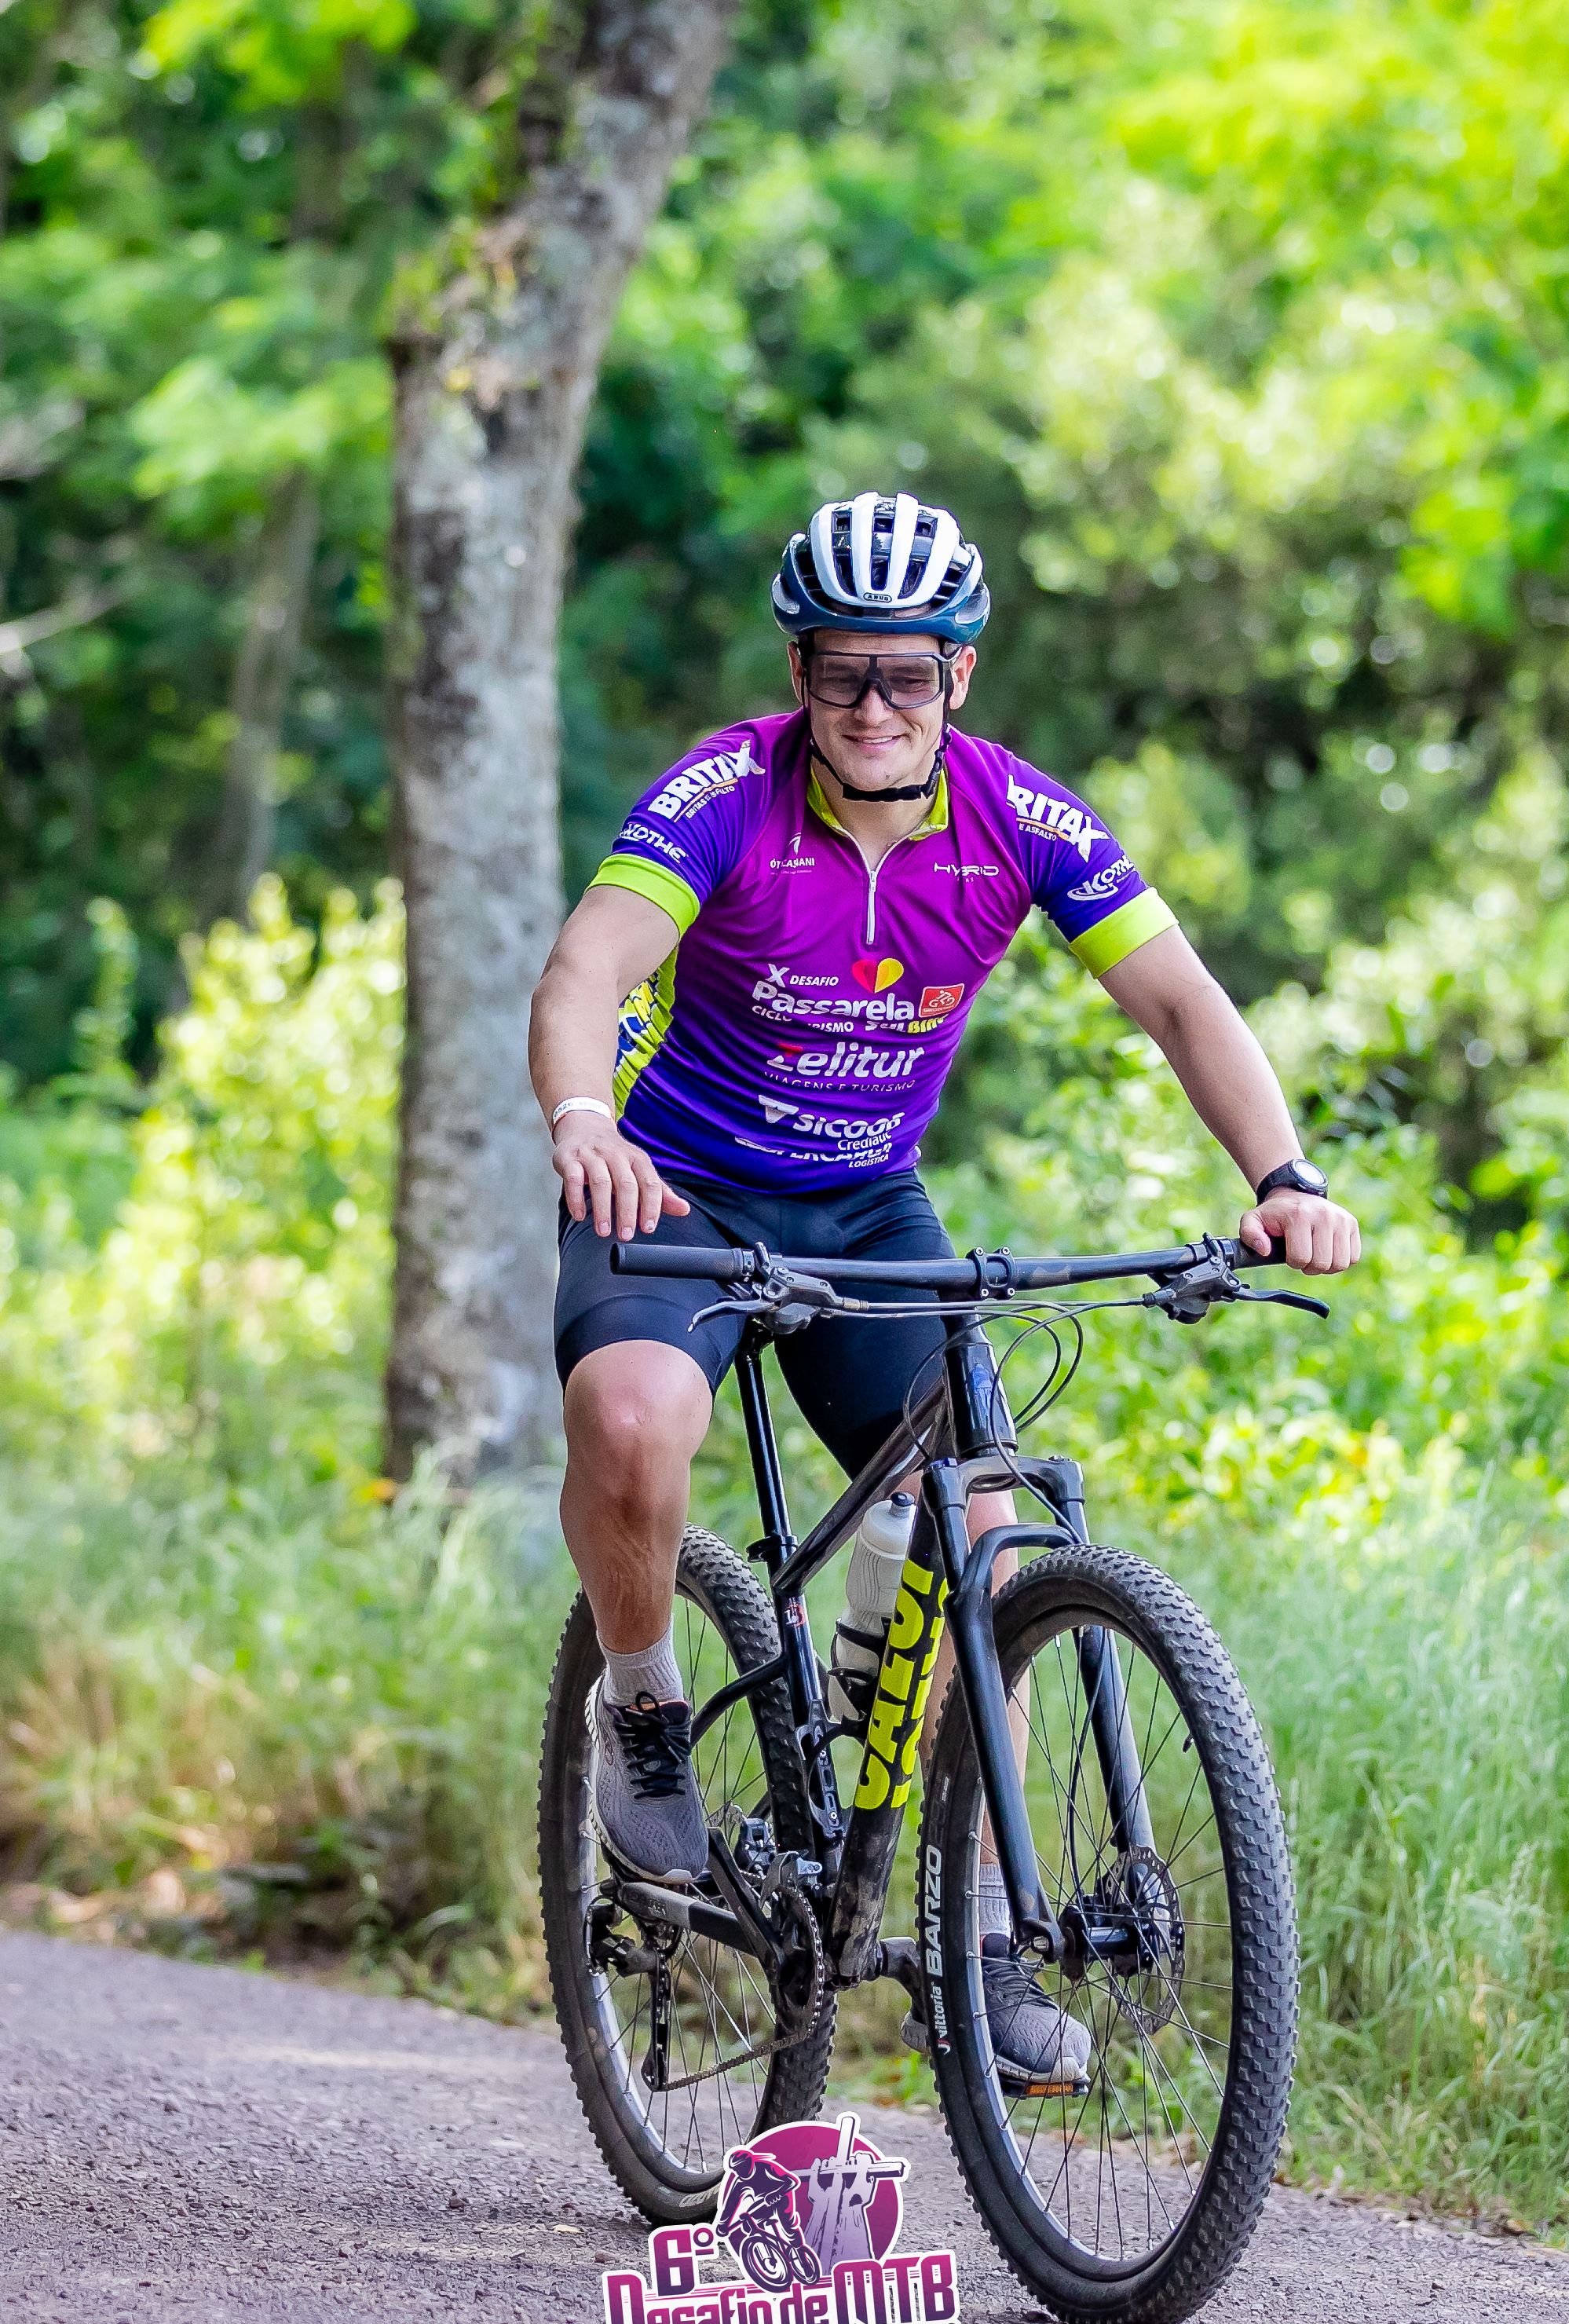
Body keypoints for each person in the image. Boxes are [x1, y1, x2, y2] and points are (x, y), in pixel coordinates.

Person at [528, 490, 1361, 2081]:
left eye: (906, 674)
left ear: (957, 677)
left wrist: (1286, 1177)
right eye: (843, 673)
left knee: (977, 1528)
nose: (873, 708)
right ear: (800, 673)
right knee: (629, 1424)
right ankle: (639, 1709)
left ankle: (975, 1930)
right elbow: (587, 969)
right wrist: (582, 1121)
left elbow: (1182, 1004)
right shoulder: (727, 797)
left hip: (864, 1205)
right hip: (677, 1190)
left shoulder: (1017, 818)